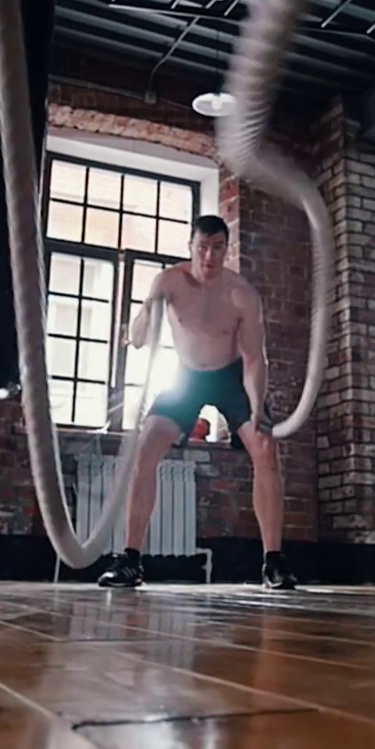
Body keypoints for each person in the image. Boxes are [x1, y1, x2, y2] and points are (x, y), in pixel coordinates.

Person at [97, 214, 297, 590]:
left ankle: (274, 562)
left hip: (231, 378)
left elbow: (255, 359)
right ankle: (130, 560)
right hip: (186, 377)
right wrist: (144, 317)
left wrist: (257, 406)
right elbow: (139, 335)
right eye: (202, 248)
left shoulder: (241, 294)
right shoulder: (169, 281)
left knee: (265, 448)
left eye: (217, 248)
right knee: (147, 447)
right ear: (190, 247)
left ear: (226, 249)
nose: (209, 257)